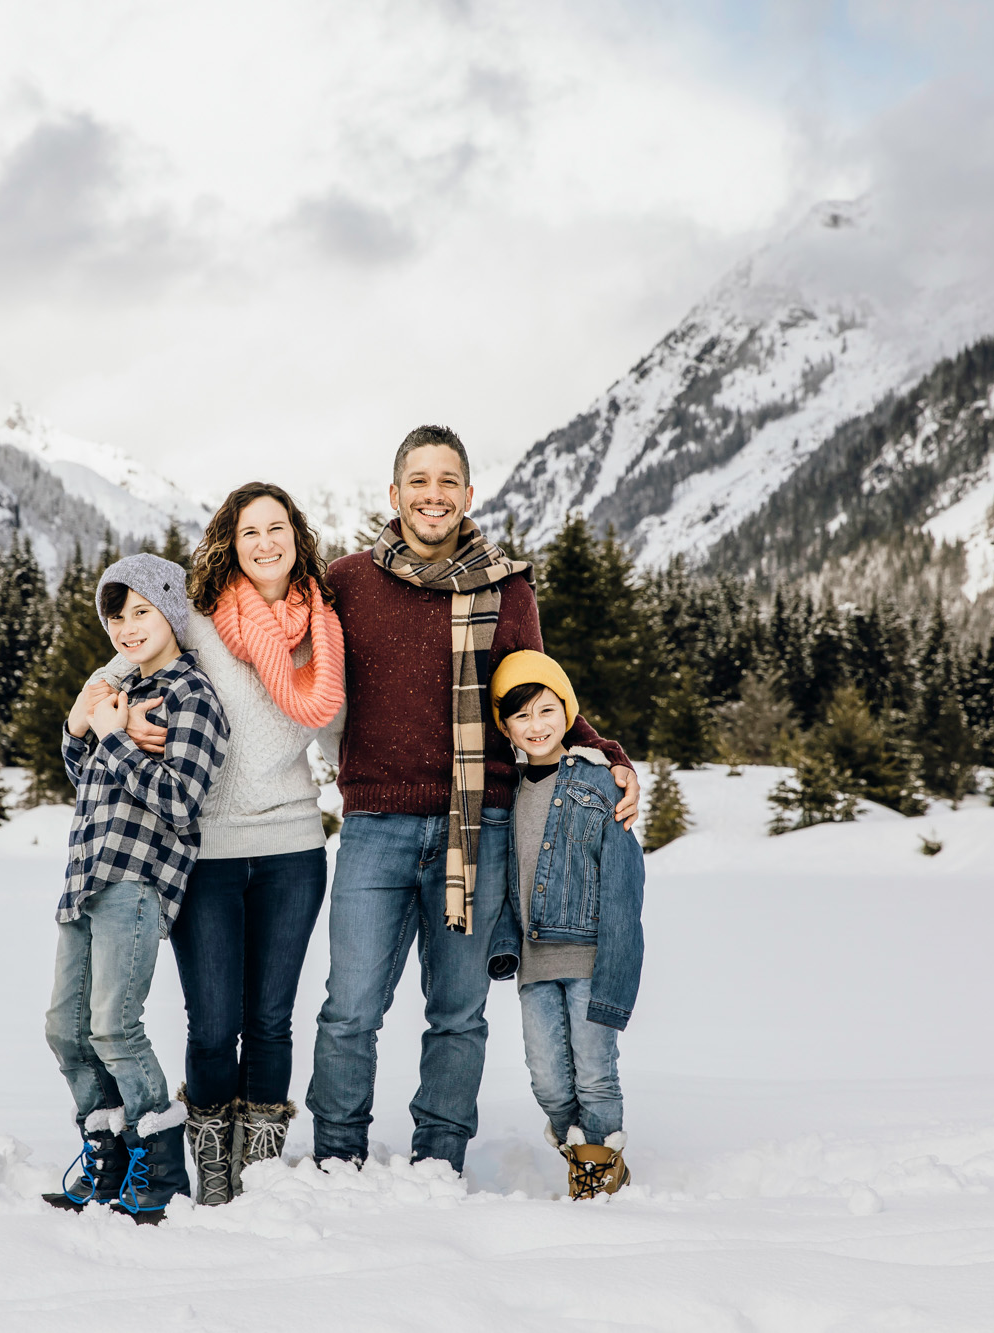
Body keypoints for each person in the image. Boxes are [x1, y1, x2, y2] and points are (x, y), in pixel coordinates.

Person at [305, 424, 640, 1173]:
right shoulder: (348, 581)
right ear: (394, 495)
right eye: (417, 480)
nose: (433, 493)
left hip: (479, 825)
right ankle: (335, 1160)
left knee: (457, 1013)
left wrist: (608, 754)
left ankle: (439, 1162)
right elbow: (291, 666)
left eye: (447, 479)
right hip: (376, 825)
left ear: (468, 493)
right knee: (350, 1008)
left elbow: (537, 691)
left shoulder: (505, 585)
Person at [99, 483, 345, 1205]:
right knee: (212, 1023)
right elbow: (118, 669)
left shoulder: (324, 636)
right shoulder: (202, 619)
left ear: (296, 536)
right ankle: (211, 1160)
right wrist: (101, 713)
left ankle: (260, 1164)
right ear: (230, 545)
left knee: (270, 1018)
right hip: (204, 851)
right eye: (249, 533)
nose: (265, 543)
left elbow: (341, 731)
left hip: (295, 848)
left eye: (277, 528)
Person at [42, 553, 228, 1225]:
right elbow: (84, 774)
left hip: (136, 881)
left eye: (141, 611)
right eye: (115, 615)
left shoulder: (192, 697)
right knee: (66, 1028)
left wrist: (116, 739)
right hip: (84, 879)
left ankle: (160, 1164)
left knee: (114, 1027)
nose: (126, 627)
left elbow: (182, 801)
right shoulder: (118, 689)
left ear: (171, 611)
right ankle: (108, 1153)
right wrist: (82, 727)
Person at [485, 650, 645, 1199]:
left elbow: (625, 882)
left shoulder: (599, 785)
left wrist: (619, 965)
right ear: (504, 725)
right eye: (522, 716)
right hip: (533, 959)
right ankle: (577, 1144)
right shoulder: (502, 795)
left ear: (567, 712)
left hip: (589, 956)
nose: (537, 726)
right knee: (548, 1075)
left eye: (548, 710)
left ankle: (599, 1169)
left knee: (595, 1071)